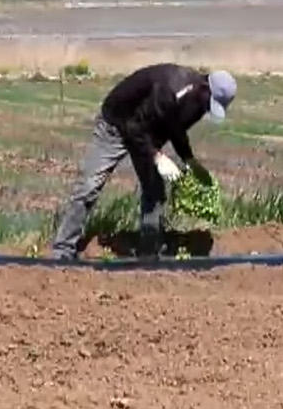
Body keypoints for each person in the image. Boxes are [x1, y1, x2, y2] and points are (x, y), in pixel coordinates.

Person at [48, 63, 237, 261]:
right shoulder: (170, 90)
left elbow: (176, 129)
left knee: (154, 191)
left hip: (148, 131)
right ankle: (62, 250)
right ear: (204, 88)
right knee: (89, 186)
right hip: (117, 124)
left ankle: (149, 252)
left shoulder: (198, 103)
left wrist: (189, 159)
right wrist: (157, 156)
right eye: (210, 102)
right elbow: (133, 127)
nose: (208, 109)